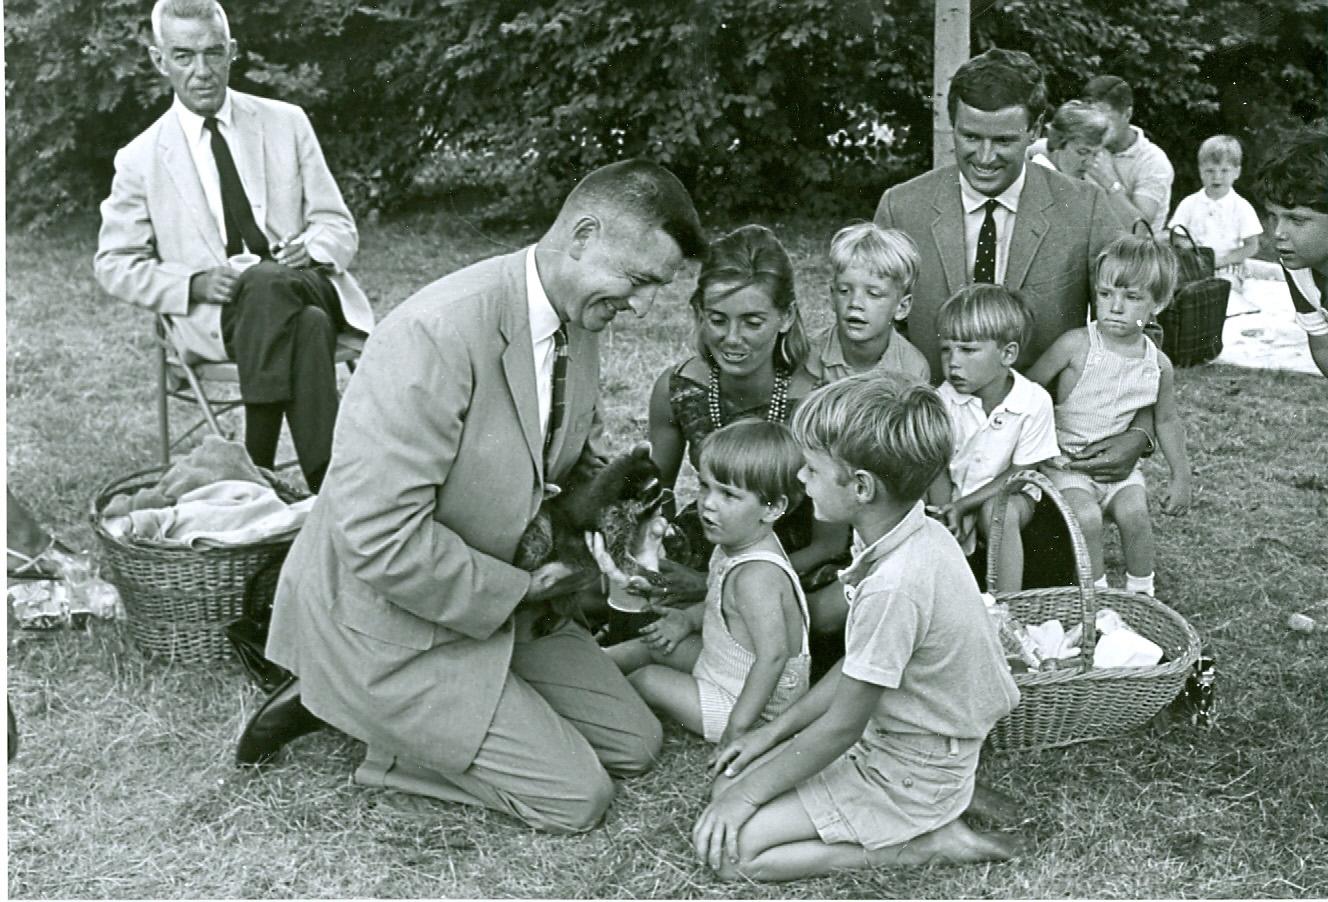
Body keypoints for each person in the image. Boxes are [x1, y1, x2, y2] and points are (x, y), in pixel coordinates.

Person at [237, 159, 708, 835]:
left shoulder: (578, 318)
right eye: (637, 280)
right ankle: (348, 708)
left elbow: (560, 458)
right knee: (577, 799)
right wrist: (522, 589)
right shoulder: (436, 332)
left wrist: (622, 505)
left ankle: (415, 708)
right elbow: (380, 540)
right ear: (582, 234)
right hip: (394, 620)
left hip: (497, 598)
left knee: (636, 745)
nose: (641, 304)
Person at [690, 372, 1021, 882]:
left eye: (814, 470)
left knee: (733, 853)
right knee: (725, 790)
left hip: (908, 767)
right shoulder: (918, 531)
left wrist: (746, 799)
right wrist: (770, 735)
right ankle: (937, 805)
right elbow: (861, 666)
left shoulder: (894, 585)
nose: (801, 479)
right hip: (909, 741)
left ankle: (928, 842)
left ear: (861, 488)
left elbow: (842, 727)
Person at [874, 47, 1143, 589]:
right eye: (970, 137)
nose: (986, 156)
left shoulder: (1084, 207)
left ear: (1037, 131)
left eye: (1005, 140)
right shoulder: (902, 208)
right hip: (925, 464)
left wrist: (1139, 432)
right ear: (951, 125)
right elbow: (875, 336)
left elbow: (1137, 327)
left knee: (1036, 617)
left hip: (1040, 462)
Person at [94, 0, 374, 492]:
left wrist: (311, 249)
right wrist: (195, 283)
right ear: (160, 60)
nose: (202, 71)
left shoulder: (285, 122)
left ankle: (253, 475)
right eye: (184, 56)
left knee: (268, 281)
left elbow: (338, 225)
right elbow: (115, 264)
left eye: (213, 53)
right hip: (223, 314)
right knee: (304, 327)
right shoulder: (140, 158)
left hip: (307, 283)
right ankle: (328, 491)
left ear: (233, 53)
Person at [645, 225, 850, 600]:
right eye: (718, 320)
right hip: (717, 536)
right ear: (699, 313)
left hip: (796, 559)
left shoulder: (819, 402)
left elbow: (830, 543)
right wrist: (656, 548)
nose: (733, 338)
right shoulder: (678, 388)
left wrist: (716, 584)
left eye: (752, 322)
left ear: (785, 317)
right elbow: (654, 494)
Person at [606, 421, 811, 747]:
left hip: (749, 708)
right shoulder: (737, 545)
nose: (708, 503)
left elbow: (774, 656)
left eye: (729, 494)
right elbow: (722, 603)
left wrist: (739, 729)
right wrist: (687, 619)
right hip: (724, 669)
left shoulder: (758, 576)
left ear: (773, 508)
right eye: (704, 486)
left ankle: (600, 714)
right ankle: (587, 670)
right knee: (651, 647)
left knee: (648, 679)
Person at [1028, 236, 1193, 596]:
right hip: (1067, 464)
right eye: (1106, 294)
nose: (1115, 307)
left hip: (1121, 472)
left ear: (1158, 304)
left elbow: (1166, 420)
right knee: (1086, 518)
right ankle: (1096, 597)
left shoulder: (1157, 364)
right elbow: (1028, 390)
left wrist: (1181, 475)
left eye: (1132, 298)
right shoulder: (1076, 345)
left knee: (1136, 514)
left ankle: (1141, 593)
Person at [928, 286, 1059, 593]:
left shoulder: (1032, 401)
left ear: (1007, 354)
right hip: (954, 490)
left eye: (968, 350)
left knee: (997, 513)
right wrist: (949, 508)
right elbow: (936, 467)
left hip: (1012, 492)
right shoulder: (941, 401)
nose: (953, 362)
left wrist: (965, 505)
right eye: (946, 349)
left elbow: (1020, 472)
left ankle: (1008, 607)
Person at [803, 223, 931, 387]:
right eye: (844, 291)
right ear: (832, 296)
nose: (855, 303)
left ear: (902, 307)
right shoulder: (808, 355)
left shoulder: (912, 369)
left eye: (873, 294)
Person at [1250, 122, 1328, 378]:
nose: (1278, 233)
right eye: (1274, 216)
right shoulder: (1296, 262)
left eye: (1297, 220)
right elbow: (1323, 347)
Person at [1168, 135, 1263, 309]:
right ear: (1200, 171)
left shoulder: (1241, 207)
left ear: (1237, 172)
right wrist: (1194, 256)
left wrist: (1223, 260)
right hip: (1194, 264)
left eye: (1224, 171)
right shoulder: (1189, 203)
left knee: (1226, 288)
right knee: (1178, 289)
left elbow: (1252, 245)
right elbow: (1178, 237)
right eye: (1210, 171)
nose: (1217, 177)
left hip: (1228, 266)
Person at [1080, 75, 1175, 235]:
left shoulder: (1153, 161)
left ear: (1127, 114)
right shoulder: (1087, 146)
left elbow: (1140, 230)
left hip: (1134, 255)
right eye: (1091, 120)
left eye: (1105, 119)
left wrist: (1109, 181)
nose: (1096, 127)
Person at [1028, 100, 1111, 181]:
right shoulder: (1033, 173)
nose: (1089, 163)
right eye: (1083, 151)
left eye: (1095, 154)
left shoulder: (1088, 178)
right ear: (1057, 141)